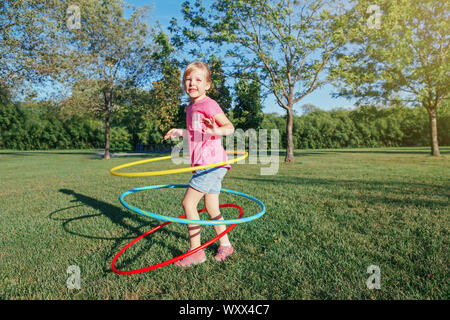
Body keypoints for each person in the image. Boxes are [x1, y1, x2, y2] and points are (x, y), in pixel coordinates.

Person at [163, 61, 235, 267]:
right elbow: (196, 134)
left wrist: (215, 130)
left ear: (207, 85)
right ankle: (226, 246)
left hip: (210, 164)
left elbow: (229, 127)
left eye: (198, 80)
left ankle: (196, 252)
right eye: (188, 79)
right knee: (211, 207)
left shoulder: (209, 104)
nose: (192, 83)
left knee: (188, 203)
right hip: (210, 164)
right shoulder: (190, 107)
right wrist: (179, 132)